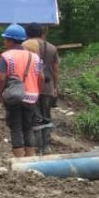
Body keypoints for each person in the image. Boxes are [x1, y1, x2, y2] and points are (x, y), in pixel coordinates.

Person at [0, 23, 43, 158]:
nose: (4, 42)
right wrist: (37, 93)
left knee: (16, 127)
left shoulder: (6, 56)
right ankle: (30, 158)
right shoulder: (35, 57)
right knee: (28, 127)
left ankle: (19, 161)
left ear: (10, 40)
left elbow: (2, 78)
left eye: (5, 39)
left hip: (14, 96)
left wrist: (0, 94)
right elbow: (41, 78)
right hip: (32, 97)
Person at [23, 24, 60, 154]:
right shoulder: (52, 48)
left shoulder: (25, 46)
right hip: (48, 87)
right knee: (46, 116)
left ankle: (37, 148)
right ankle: (46, 147)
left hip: (31, 87)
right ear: (42, 33)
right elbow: (55, 70)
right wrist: (55, 87)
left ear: (27, 33)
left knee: (34, 117)